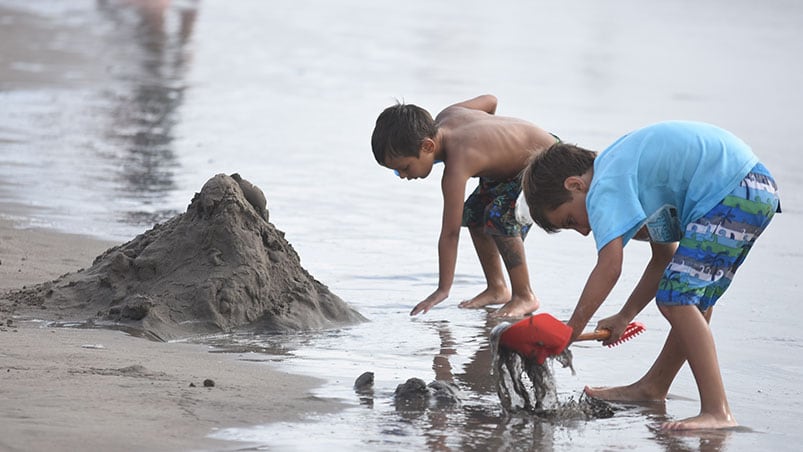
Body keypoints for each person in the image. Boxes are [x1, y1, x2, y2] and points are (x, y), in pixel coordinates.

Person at [521, 120, 781, 430]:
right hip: (751, 189)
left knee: (676, 299)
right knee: (690, 300)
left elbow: (610, 266)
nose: (583, 230)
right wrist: (624, 315)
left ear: (575, 185)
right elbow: (663, 259)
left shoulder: (604, 184)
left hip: (729, 189)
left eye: (571, 220)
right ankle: (655, 387)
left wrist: (572, 329)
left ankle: (717, 410)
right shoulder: (635, 182)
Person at [371, 95, 559, 317]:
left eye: (404, 167)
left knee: (498, 217)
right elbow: (490, 101)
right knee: (473, 213)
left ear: (428, 146)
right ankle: (497, 287)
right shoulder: (446, 116)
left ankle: (524, 295)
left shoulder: (457, 165)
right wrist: (492, 148)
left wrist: (442, 289)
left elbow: (449, 234)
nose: (402, 176)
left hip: (545, 162)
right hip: (508, 171)